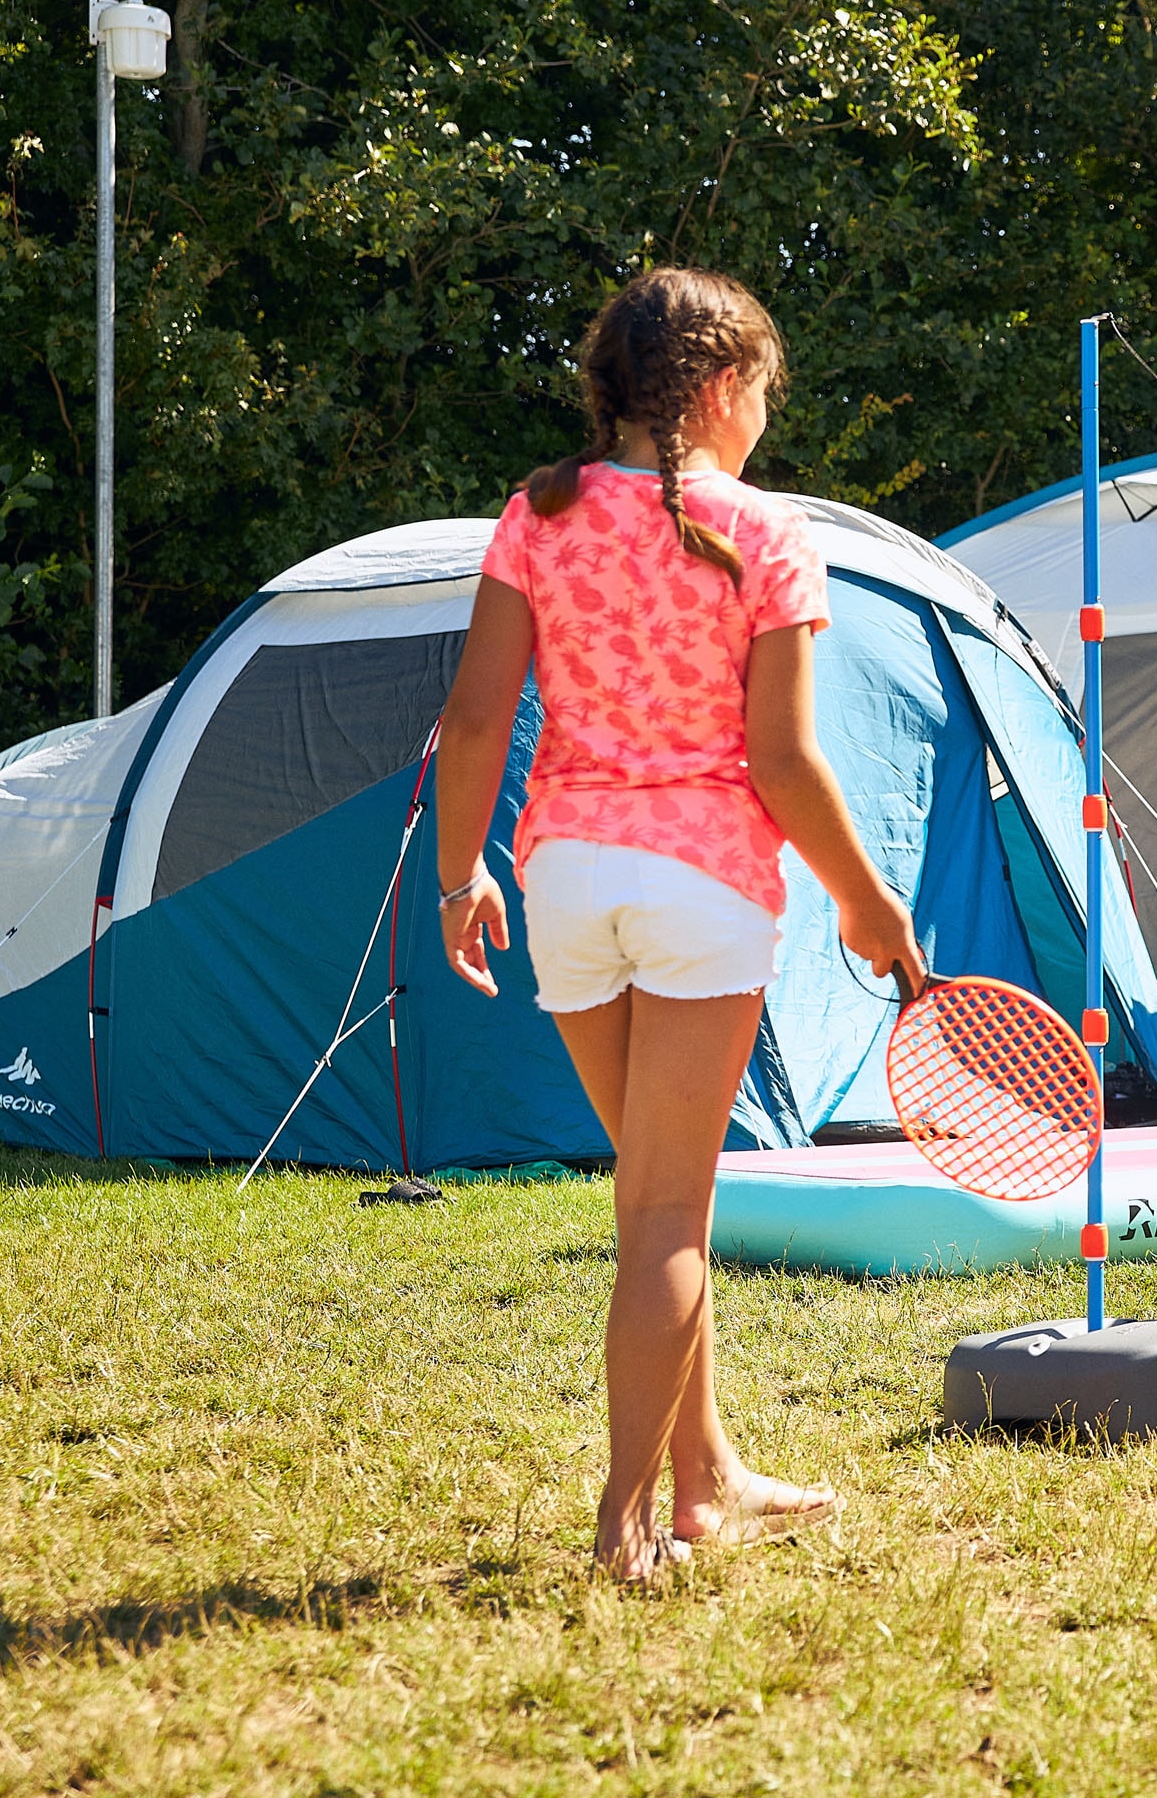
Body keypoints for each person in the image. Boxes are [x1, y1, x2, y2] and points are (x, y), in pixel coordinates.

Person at [431, 267, 927, 1581]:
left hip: (564, 886)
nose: (765, 414)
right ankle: (626, 1525)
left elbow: (476, 722)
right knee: (666, 1219)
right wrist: (867, 902)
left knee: (658, 1198)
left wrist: (457, 873)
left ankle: (708, 1485)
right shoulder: (764, 533)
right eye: (765, 390)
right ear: (720, 391)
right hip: (702, 887)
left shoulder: (536, 516)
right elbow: (785, 762)